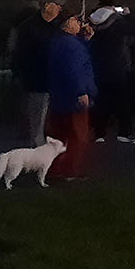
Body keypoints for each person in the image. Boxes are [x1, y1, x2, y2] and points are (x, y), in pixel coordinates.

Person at [46, 12, 96, 180]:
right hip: (73, 97)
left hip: (59, 96)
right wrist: (81, 91)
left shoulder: (59, 42)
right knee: (77, 135)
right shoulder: (71, 45)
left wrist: (85, 41)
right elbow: (75, 69)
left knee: (59, 134)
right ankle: (71, 170)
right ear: (67, 24)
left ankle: (55, 168)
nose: (80, 24)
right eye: (76, 20)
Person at [10, 0, 63, 146]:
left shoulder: (56, 25)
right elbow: (22, 54)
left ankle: (46, 153)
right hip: (37, 79)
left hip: (51, 78)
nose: (59, 8)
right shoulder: (29, 27)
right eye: (57, 5)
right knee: (37, 118)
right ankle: (36, 152)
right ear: (47, 6)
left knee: (48, 118)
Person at [88, 3, 135, 144]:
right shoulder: (118, 25)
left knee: (101, 102)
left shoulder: (93, 26)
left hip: (99, 68)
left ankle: (98, 132)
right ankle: (124, 132)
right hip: (117, 67)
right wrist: (129, 15)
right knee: (123, 101)